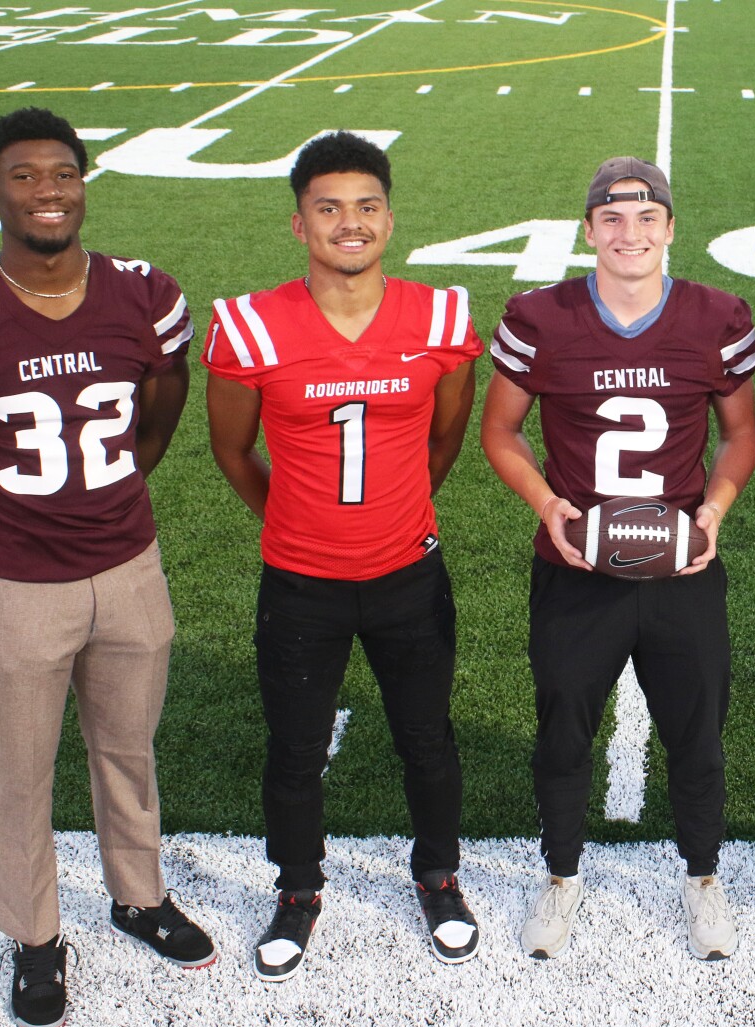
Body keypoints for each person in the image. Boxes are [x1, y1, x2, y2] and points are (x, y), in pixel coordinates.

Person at [0, 107, 213, 1027]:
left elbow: (164, 399)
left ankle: (137, 896)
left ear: (83, 184)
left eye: (62, 173)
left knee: (127, 749)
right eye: (24, 176)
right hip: (17, 579)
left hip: (130, 565)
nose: (48, 191)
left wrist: (117, 492)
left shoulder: (144, 294)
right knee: (20, 772)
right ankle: (33, 937)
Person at [204, 132, 483, 979]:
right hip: (300, 582)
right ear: (299, 225)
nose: (348, 223)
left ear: (389, 220)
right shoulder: (250, 324)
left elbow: (445, 438)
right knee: (294, 749)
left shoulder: (439, 315)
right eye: (328, 208)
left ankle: (437, 874)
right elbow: (232, 451)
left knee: (426, 739)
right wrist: (298, 517)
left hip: (407, 572)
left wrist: (392, 513)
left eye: (365, 206)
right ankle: (296, 889)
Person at [480, 157, 755, 961]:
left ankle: (703, 877)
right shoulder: (539, 317)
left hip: (681, 569)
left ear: (670, 228)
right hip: (576, 568)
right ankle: (560, 875)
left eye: (646, 217)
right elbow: (499, 431)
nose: (628, 232)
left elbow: (740, 432)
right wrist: (546, 506)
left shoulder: (716, 316)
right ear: (588, 230)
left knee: (696, 732)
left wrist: (711, 511)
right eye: (611, 217)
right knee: (563, 730)